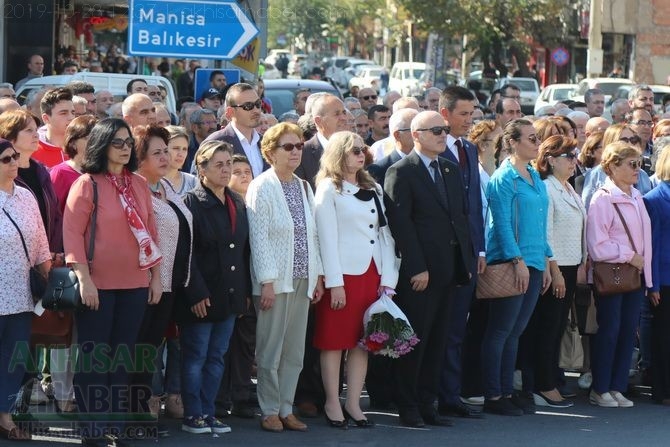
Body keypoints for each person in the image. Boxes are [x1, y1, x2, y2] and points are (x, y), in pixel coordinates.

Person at [63, 118, 162, 446]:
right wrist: (84, 280)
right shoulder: (87, 183)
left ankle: (114, 427)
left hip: (134, 283)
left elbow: (151, 231)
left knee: (123, 357)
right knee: (94, 359)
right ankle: (92, 428)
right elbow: (72, 234)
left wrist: (156, 277)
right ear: (102, 145)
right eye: (117, 142)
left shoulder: (139, 183)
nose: (124, 148)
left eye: (127, 142)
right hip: (98, 285)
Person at [384, 111, 474, 428]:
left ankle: (427, 403)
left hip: (449, 271)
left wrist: (468, 259)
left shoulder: (449, 168)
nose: (443, 134)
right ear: (417, 134)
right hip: (420, 276)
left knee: (438, 341)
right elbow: (401, 225)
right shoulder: (401, 172)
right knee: (415, 342)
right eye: (436, 130)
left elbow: (460, 218)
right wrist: (417, 267)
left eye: (445, 130)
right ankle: (407, 406)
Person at [313, 130, 398, 428]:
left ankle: (353, 403)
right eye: (353, 151)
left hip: (372, 274)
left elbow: (385, 234)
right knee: (334, 342)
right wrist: (334, 282)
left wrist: (389, 278)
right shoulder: (328, 188)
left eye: (361, 150)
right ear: (338, 154)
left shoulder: (372, 186)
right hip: (344, 275)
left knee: (363, 343)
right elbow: (325, 237)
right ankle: (332, 401)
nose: (360, 155)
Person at [246, 122, 324, 432]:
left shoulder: (303, 185)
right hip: (275, 281)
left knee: (294, 350)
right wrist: (266, 280)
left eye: (299, 146)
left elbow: (312, 235)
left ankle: (286, 407)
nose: (295, 152)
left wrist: (317, 276)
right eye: (288, 147)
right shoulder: (262, 186)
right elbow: (259, 237)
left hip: (303, 277)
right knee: (270, 349)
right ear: (270, 152)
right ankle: (268, 409)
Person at [481, 118, 552, 416]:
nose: (537, 144)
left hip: (535, 261)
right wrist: (517, 260)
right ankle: (493, 395)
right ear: (513, 142)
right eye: (532, 139)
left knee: (515, 332)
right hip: (513, 262)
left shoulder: (534, 175)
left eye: (537, 138)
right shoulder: (504, 177)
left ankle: (506, 391)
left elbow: (540, 223)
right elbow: (501, 224)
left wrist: (547, 261)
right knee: (500, 331)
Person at [180, 140, 250, 434]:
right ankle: (193, 414)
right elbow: (187, 253)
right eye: (218, 164)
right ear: (202, 169)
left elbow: (242, 251)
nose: (226, 170)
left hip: (230, 295)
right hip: (202, 296)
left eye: (228, 164)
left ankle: (208, 412)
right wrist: (196, 293)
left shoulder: (236, 201)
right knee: (196, 357)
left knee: (217, 356)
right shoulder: (191, 202)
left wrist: (244, 292)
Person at [130, 125, 194, 429]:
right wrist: (154, 277)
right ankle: (135, 416)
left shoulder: (165, 187)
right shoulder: (134, 189)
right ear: (139, 158)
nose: (166, 156)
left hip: (172, 283)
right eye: (157, 152)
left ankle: (141, 415)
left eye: (166, 150)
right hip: (146, 285)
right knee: (141, 351)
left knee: (152, 348)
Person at [518, 135, 587, 409]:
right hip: (554, 268)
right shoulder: (546, 188)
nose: (574, 161)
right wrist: (554, 270)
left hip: (571, 266)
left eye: (574, 156)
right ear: (549, 159)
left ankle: (548, 381)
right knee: (546, 327)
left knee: (556, 328)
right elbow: (545, 232)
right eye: (568, 156)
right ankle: (541, 385)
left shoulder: (567, 187)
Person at [586, 141, 652, 408]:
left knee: (627, 332)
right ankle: (600, 388)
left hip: (635, 275)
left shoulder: (636, 195)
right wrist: (630, 256)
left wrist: (644, 271)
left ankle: (616, 386)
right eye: (631, 164)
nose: (638, 169)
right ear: (613, 166)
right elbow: (596, 245)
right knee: (610, 330)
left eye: (639, 163)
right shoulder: (602, 198)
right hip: (613, 273)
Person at [0, 138, 51, 441]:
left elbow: (40, 242)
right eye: (5, 159)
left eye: (14, 157)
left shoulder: (26, 196)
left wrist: (49, 278)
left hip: (20, 295)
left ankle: (5, 418)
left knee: (14, 359)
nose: (13, 163)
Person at [643, 147, 670, 404]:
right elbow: (650, 245)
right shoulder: (653, 199)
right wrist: (652, 285)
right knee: (664, 336)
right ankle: (662, 390)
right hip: (664, 279)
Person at [50, 115, 98, 213]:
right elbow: (53, 212)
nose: (95, 143)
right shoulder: (60, 173)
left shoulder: (105, 171)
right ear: (72, 142)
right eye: (88, 138)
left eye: (98, 138)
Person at [164, 126, 197, 196]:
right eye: (176, 148)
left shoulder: (193, 182)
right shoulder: (151, 183)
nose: (181, 154)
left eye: (184, 149)